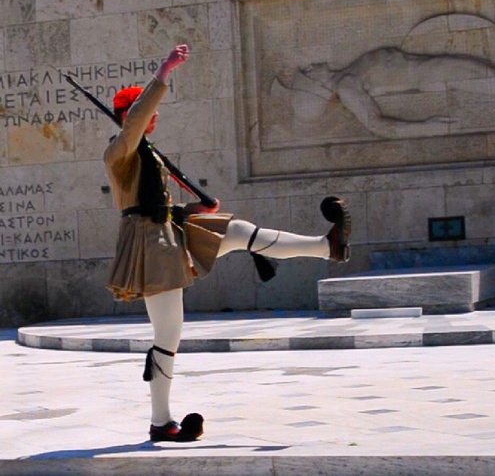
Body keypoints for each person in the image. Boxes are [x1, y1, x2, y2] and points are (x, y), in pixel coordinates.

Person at [104, 44, 351, 442]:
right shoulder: (120, 150)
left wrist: (195, 208)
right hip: (151, 246)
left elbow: (153, 199)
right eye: (147, 112)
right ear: (133, 116)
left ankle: (328, 246)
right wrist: (164, 73)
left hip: (170, 231)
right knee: (167, 335)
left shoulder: (145, 151)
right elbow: (134, 128)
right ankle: (160, 420)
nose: (156, 116)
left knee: (237, 231)